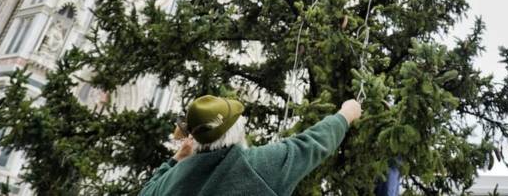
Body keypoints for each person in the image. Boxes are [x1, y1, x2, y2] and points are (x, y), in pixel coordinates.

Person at [139, 95, 362, 196]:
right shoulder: (257, 166)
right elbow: (311, 144)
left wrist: (176, 159)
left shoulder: (174, 178)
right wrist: (345, 115)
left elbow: (147, 192)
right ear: (235, 131)